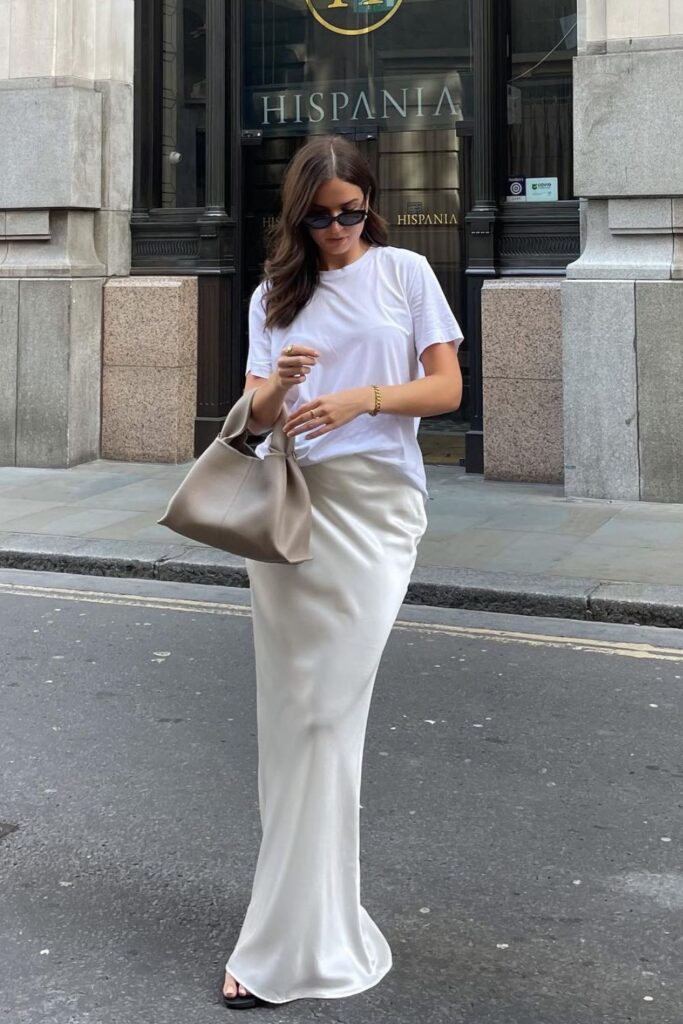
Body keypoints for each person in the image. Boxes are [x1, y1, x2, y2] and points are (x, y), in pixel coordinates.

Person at [222, 134, 463, 1009]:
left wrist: (363, 396)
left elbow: (446, 391)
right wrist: (278, 386)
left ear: (370, 202)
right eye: (320, 215)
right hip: (295, 514)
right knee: (294, 721)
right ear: (299, 214)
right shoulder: (272, 295)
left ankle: (303, 933)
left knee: (327, 714)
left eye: (350, 211)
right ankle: (276, 939)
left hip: (377, 512)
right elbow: (249, 422)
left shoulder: (404, 275)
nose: (335, 228)